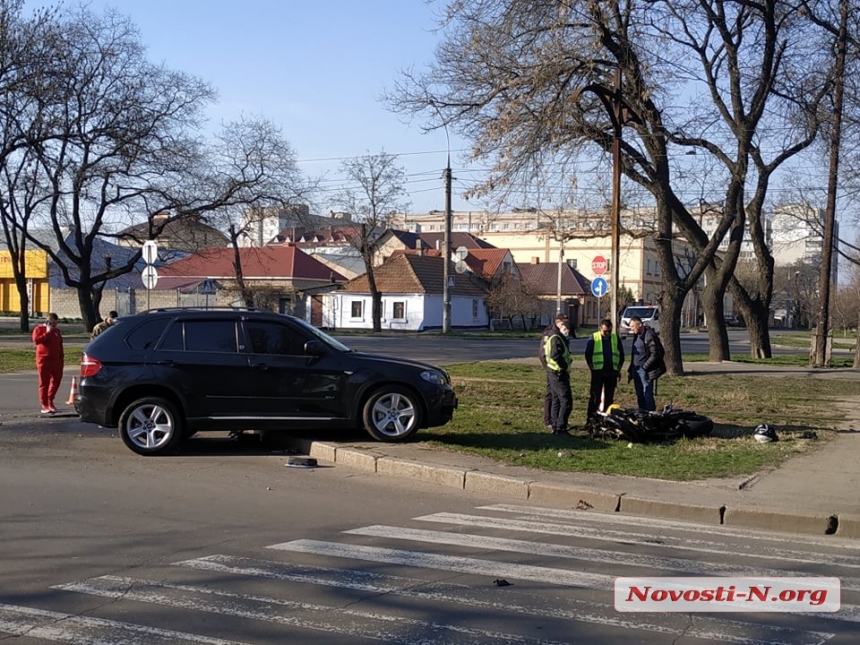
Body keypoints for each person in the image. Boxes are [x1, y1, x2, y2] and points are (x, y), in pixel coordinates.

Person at [584, 318, 624, 420]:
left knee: (609, 397)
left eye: (609, 331)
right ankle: (591, 419)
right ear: (600, 328)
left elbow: (621, 355)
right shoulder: (594, 337)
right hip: (598, 371)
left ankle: (607, 419)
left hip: (611, 372)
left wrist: (618, 370)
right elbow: (588, 354)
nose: (607, 333)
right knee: (595, 397)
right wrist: (591, 367)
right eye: (605, 331)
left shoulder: (615, 338)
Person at [627, 315, 666, 411]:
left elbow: (655, 353)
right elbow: (634, 354)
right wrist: (630, 370)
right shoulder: (636, 336)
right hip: (636, 369)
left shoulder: (649, 335)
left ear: (639, 325)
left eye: (633, 326)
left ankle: (650, 414)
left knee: (647, 394)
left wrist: (644, 367)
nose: (631, 329)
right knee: (639, 394)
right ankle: (642, 413)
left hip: (645, 370)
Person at [543, 316, 573, 435]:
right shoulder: (556, 339)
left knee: (556, 400)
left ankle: (556, 426)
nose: (568, 334)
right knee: (566, 401)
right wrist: (564, 366)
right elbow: (555, 355)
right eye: (567, 331)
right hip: (558, 373)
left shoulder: (556, 337)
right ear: (563, 328)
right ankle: (561, 427)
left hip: (555, 373)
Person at [538, 314, 568, 429]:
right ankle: (548, 419)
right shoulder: (549, 333)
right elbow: (543, 353)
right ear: (557, 321)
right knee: (551, 393)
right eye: (563, 322)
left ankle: (557, 419)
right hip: (552, 369)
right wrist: (548, 367)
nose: (565, 325)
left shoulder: (561, 333)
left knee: (556, 395)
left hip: (559, 369)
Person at [32, 313, 65, 414]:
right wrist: (47, 332)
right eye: (52, 323)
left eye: (55, 323)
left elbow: (60, 344)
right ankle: (44, 404)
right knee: (44, 382)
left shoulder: (57, 331)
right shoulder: (39, 329)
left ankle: (50, 400)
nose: (54, 325)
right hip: (44, 359)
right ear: (47, 321)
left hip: (56, 360)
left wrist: (61, 358)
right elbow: (36, 341)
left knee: (56, 380)